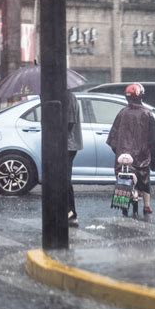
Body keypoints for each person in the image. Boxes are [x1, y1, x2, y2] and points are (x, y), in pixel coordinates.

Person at [106, 83, 155, 216]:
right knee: (145, 180)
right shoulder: (147, 113)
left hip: (123, 155)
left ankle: (124, 201)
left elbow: (113, 137)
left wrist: (119, 150)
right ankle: (147, 206)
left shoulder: (122, 113)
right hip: (142, 157)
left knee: (122, 178)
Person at [67, 91, 83, 228]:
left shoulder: (68, 96)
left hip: (67, 145)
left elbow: (69, 122)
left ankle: (71, 214)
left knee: (64, 181)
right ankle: (67, 213)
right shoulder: (65, 95)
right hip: (63, 145)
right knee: (61, 181)